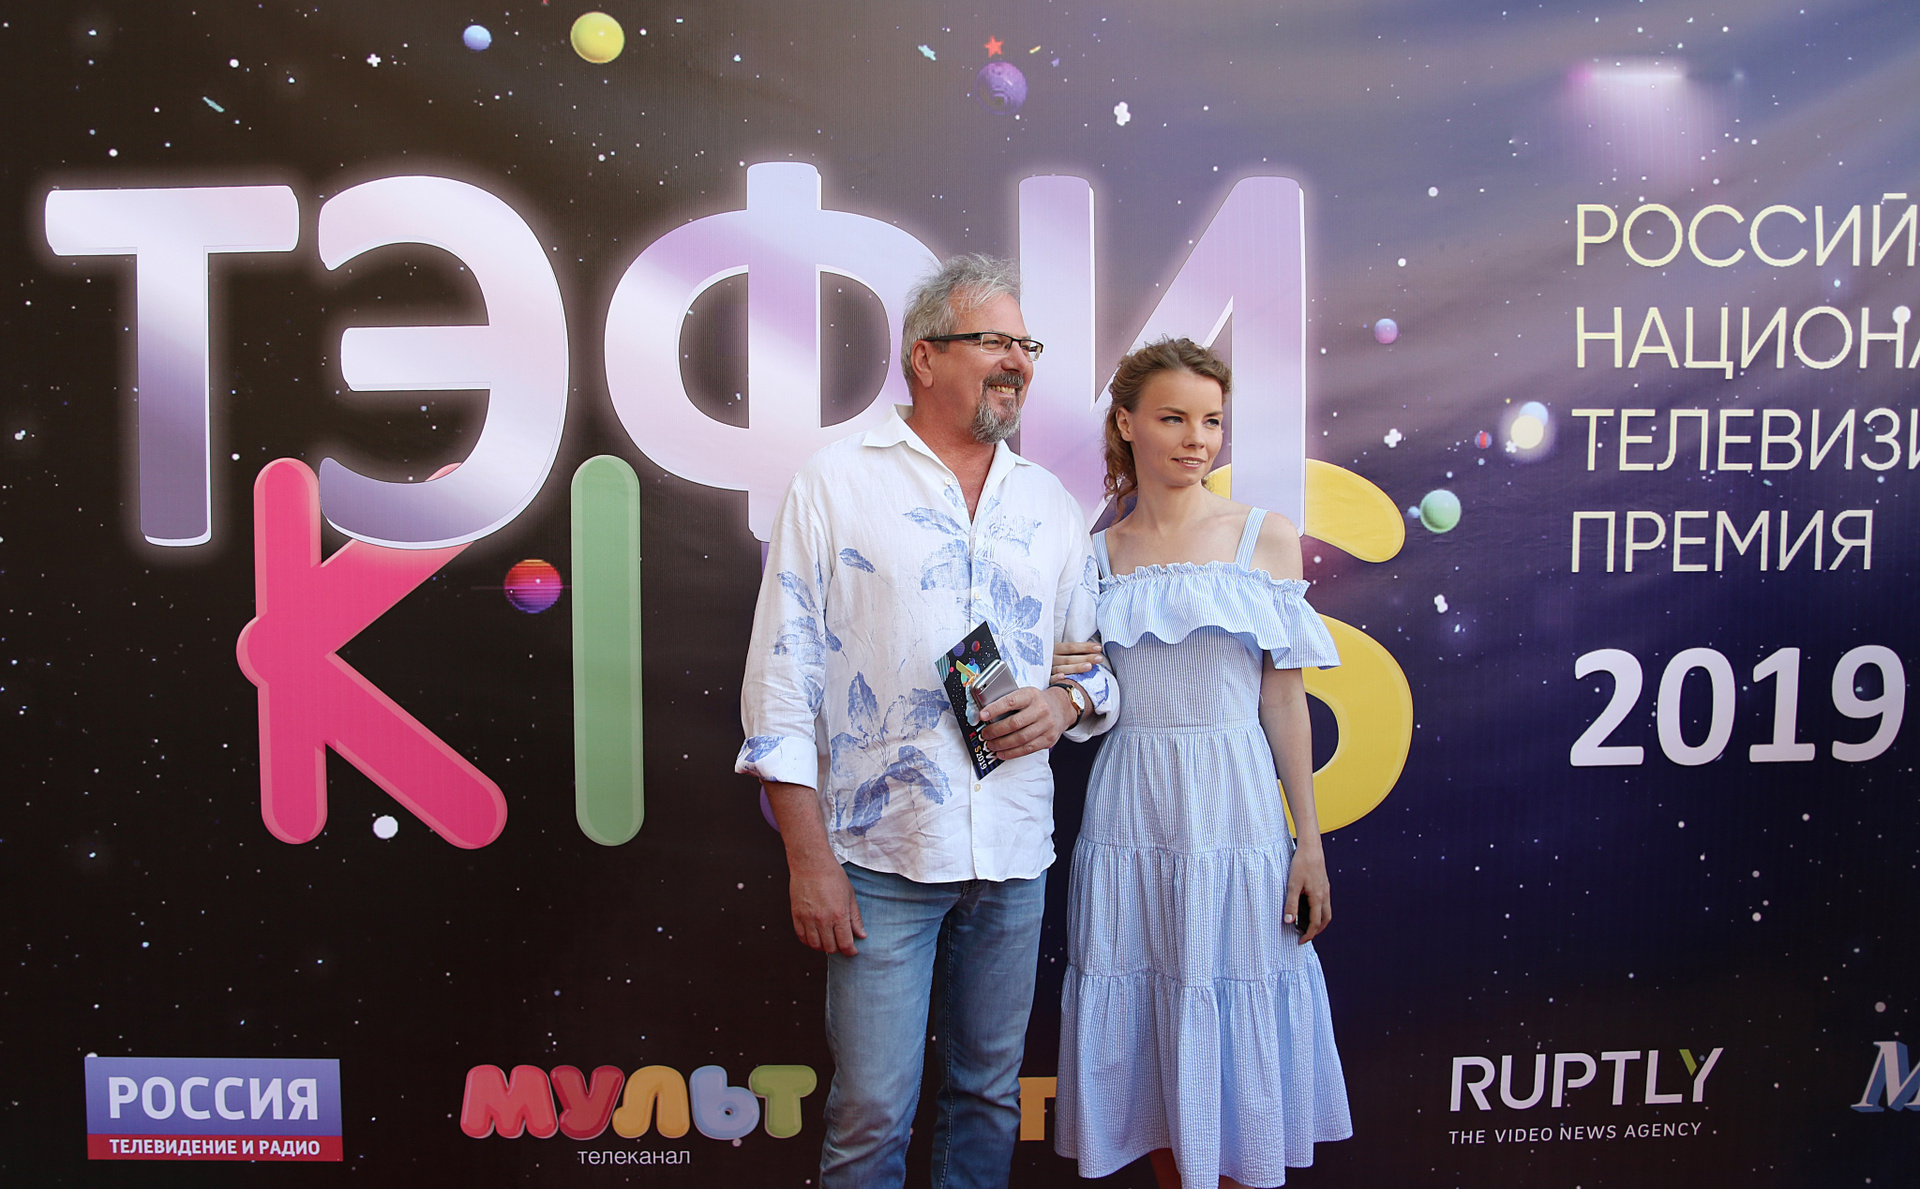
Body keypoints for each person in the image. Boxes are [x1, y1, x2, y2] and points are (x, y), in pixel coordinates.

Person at [735, 254, 1119, 1189]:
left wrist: (1064, 702)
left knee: (988, 1096)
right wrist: (809, 862)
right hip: (880, 858)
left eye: (1027, 345)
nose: (1019, 361)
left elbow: (1097, 669)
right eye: (996, 342)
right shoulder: (835, 483)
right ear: (924, 356)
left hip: (1013, 855)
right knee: (872, 1112)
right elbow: (779, 686)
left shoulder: (1050, 505)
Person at [1049, 338, 1351, 1188]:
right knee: (1150, 1030)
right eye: (1174, 418)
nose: (1197, 439)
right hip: (1130, 812)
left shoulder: (1266, 537)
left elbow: (1284, 700)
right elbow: (1087, 689)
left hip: (1237, 812)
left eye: (1212, 421)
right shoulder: (1094, 556)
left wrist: (1308, 843)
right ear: (1125, 422)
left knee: (1232, 1018)